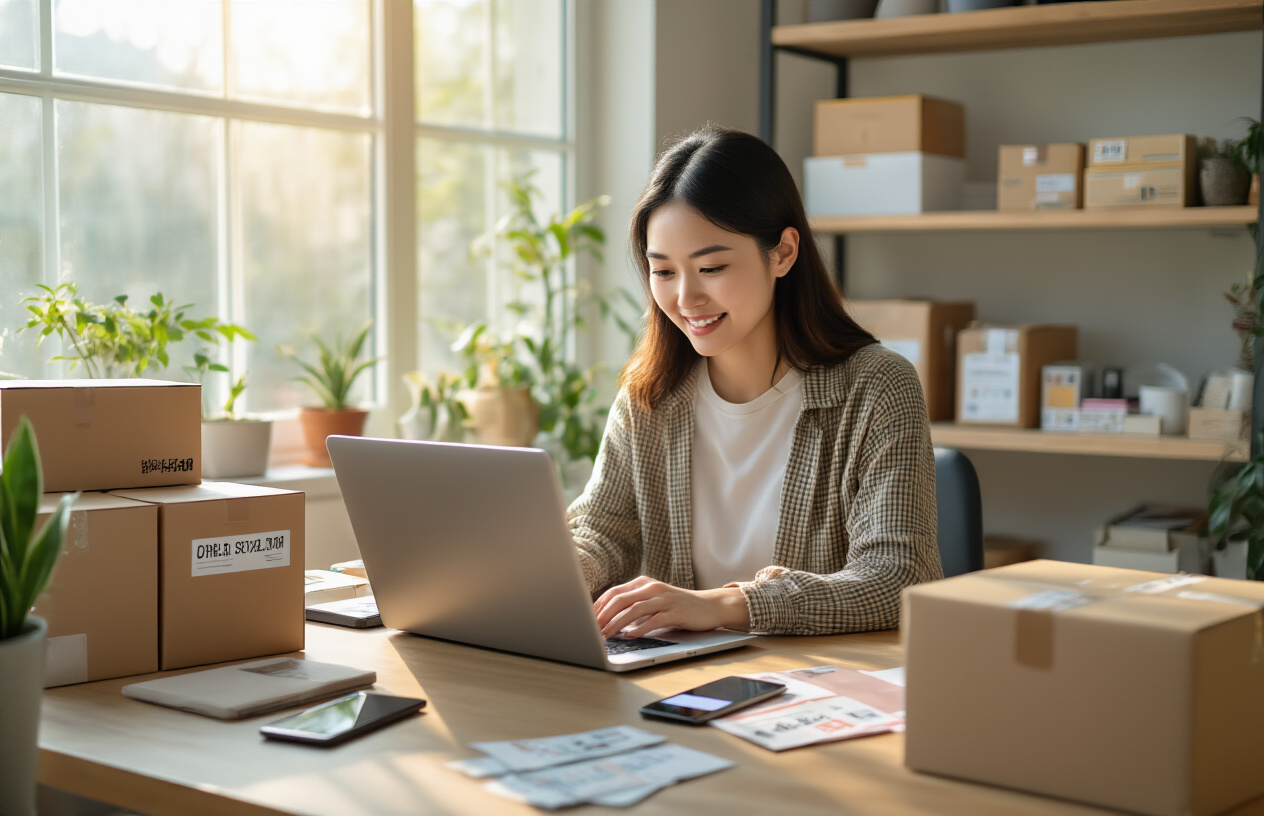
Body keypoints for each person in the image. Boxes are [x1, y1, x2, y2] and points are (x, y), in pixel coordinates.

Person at [568, 126, 941, 639]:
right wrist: (559, 569)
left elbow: (898, 578)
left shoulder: (876, 387)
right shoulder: (650, 397)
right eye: (664, 272)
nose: (685, 298)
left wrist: (728, 604)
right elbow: (600, 531)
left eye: (712, 267)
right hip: (678, 681)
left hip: (815, 685)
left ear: (783, 253)